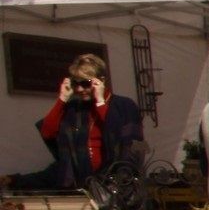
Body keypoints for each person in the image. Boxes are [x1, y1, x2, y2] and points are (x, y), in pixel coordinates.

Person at [17, 54, 144, 191]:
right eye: (76, 83)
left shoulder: (123, 105)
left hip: (114, 185)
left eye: (85, 83)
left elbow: (121, 138)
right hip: (81, 184)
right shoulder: (75, 108)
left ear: (101, 80)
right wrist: (62, 99)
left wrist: (101, 103)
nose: (79, 89)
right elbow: (48, 132)